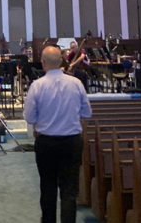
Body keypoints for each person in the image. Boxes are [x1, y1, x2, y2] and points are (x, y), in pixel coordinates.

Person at [24, 46, 92, 223]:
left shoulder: (37, 86)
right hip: (71, 141)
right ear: (61, 61)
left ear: (43, 63)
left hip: (46, 143)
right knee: (69, 190)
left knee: (48, 188)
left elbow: (30, 117)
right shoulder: (75, 83)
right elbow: (87, 113)